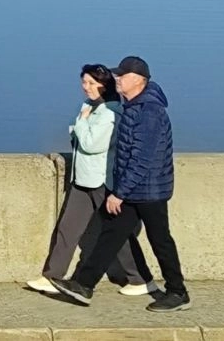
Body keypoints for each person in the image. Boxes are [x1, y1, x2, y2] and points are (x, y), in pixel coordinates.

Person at [49, 56, 191, 313]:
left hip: (149, 191)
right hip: (134, 190)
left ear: (138, 80)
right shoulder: (134, 106)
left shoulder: (149, 112)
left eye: (122, 76)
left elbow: (142, 158)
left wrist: (118, 193)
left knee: (160, 240)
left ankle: (177, 292)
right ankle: (84, 285)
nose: (117, 80)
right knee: (112, 234)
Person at [26, 64, 156, 297]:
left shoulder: (110, 113)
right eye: (84, 82)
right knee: (67, 229)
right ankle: (52, 276)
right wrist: (81, 124)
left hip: (102, 181)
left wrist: (81, 124)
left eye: (91, 83)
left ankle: (141, 279)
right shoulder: (89, 108)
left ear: (103, 86)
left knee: (118, 234)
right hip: (82, 179)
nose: (85, 88)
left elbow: (91, 144)